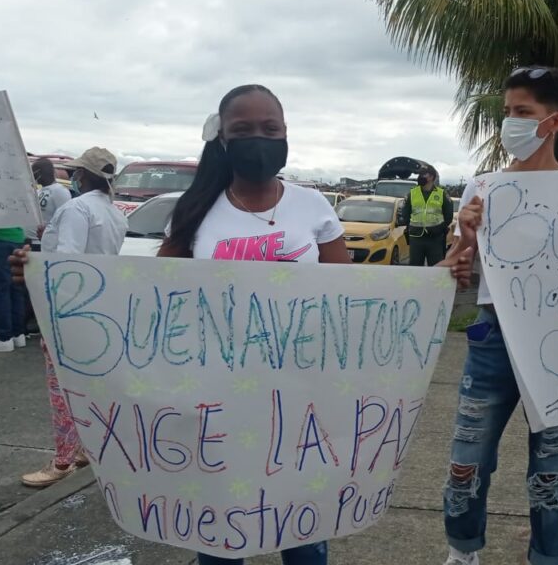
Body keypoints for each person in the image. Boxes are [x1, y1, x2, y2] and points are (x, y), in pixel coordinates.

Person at [155, 84, 473, 565]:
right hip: (218, 401)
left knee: (304, 536)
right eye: (243, 130)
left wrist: (436, 279)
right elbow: (147, 298)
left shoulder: (313, 207)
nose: (258, 138)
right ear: (221, 138)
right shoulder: (196, 211)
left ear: (286, 135)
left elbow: (350, 299)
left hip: (304, 401)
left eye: (270, 128)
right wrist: (35, 274)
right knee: (219, 537)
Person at [441, 66, 558, 565]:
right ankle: (462, 549)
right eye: (507, 113)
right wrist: (466, 237)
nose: (511, 124)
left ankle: (546, 556)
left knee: (553, 465)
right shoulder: (482, 186)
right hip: (492, 334)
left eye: (524, 113)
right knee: (468, 454)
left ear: (554, 121)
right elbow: (454, 275)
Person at [13, 146, 128, 487]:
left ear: (83, 176)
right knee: (87, 385)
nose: (73, 176)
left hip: (68, 308)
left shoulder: (78, 209)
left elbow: (66, 263)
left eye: (77, 172)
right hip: (98, 307)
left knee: (60, 386)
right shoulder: (115, 213)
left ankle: (63, 460)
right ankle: (83, 450)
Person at [399, 162, 454, 266]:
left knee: (436, 267)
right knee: (415, 267)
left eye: (424, 174)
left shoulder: (441, 194)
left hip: (435, 238)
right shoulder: (412, 193)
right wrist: (410, 226)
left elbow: (448, 215)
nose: (420, 177)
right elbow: (405, 213)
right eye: (420, 174)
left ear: (431, 177)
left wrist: (440, 227)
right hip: (416, 238)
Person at [33, 158, 72, 241]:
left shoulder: (60, 191)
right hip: (33, 239)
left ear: (39, 173)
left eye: (34, 172)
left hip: (45, 241)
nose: (33, 175)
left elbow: (65, 218)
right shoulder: (39, 190)